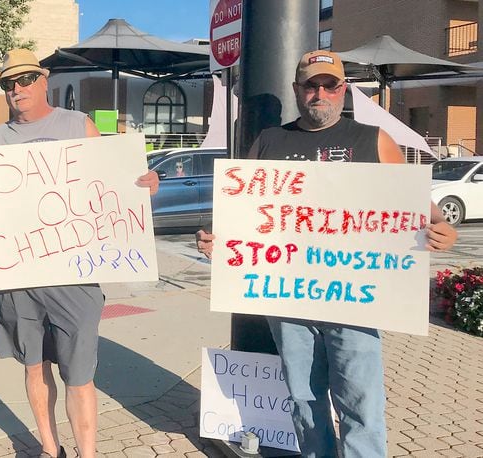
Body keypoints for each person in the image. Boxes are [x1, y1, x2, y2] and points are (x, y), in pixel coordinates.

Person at [195, 50, 457, 458]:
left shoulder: (370, 139)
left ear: (343, 90)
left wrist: (441, 226)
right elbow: (241, 210)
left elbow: (417, 203)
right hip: (287, 298)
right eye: (311, 86)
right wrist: (218, 240)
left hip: (355, 299)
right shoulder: (270, 140)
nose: (320, 93)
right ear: (298, 91)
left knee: (360, 401)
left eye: (329, 85)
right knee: (303, 398)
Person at [0, 49, 158, 458]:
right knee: (34, 367)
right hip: (20, 277)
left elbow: (111, 185)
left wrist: (143, 184)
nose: (16, 89)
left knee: (79, 375)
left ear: (44, 80)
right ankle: (50, 449)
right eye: (8, 83)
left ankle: (88, 453)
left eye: (25, 79)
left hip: (75, 276)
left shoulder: (78, 125)